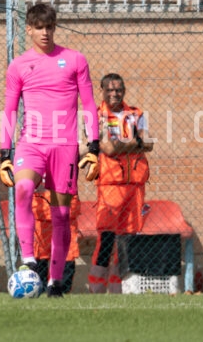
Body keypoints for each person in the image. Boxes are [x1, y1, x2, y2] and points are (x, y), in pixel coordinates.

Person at [0, 2, 99, 297]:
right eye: (39, 27)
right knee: (23, 189)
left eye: (49, 27)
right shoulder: (18, 65)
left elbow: (89, 103)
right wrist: (5, 153)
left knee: (60, 214)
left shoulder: (75, 59)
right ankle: (29, 260)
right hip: (31, 144)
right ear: (28, 29)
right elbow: (9, 110)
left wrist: (93, 147)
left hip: (65, 147)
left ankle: (55, 281)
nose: (45, 32)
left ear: (55, 28)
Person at [87, 73, 153, 294]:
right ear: (102, 91)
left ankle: (118, 291)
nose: (114, 93)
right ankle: (96, 291)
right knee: (106, 239)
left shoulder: (136, 114)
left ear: (124, 90)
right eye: (110, 90)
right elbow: (107, 148)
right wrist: (135, 142)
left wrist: (122, 143)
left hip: (134, 186)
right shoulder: (95, 116)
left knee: (127, 240)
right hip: (110, 185)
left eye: (119, 90)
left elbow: (149, 143)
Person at [32, 188, 81, 294]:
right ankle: (40, 290)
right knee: (40, 254)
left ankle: (61, 290)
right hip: (42, 212)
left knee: (67, 253)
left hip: (66, 211)